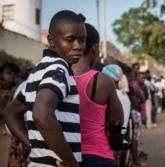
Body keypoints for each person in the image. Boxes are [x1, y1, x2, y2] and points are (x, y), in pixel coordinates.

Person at [2, 10, 86, 167]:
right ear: (52, 41)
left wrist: (34, 148)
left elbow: (10, 113)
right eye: (70, 40)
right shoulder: (59, 70)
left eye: (82, 40)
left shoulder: (39, 70)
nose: (78, 46)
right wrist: (72, 164)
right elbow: (41, 113)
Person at [72, 23, 124, 167]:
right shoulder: (102, 81)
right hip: (98, 156)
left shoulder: (58, 78)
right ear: (95, 48)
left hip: (66, 155)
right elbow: (118, 120)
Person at [0, 62, 28, 167]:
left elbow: (20, 117)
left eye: (4, 78)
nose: (3, 82)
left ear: (12, 74)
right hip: (17, 139)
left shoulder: (23, 88)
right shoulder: (16, 90)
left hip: (22, 140)